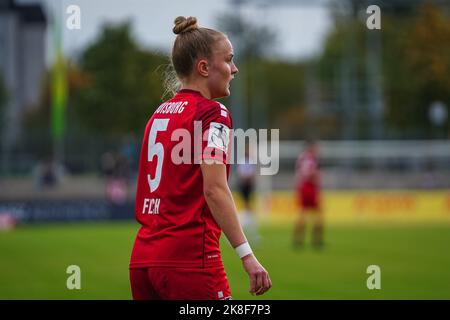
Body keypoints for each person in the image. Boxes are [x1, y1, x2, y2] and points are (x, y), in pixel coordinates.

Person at [129, 16, 271, 300]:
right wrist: (247, 256)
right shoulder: (212, 114)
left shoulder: (159, 115)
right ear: (204, 67)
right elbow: (215, 189)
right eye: (229, 60)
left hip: (143, 260)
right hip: (189, 260)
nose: (235, 68)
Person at [293, 139, 324, 249]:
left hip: (302, 187)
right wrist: (318, 186)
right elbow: (314, 174)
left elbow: (298, 173)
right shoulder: (312, 158)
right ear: (312, 147)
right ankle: (317, 241)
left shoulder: (301, 157)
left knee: (302, 213)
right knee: (318, 215)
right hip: (310, 187)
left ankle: (297, 241)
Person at [236, 144, 260, 245]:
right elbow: (243, 175)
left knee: (248, 208)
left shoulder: (248, 161)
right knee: (247, 208)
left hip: (248, 186)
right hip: (245, 187)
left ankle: (249, 230)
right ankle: (247, 230)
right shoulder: (243, 161)